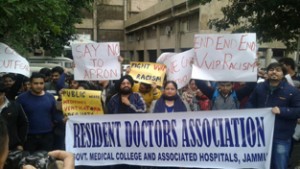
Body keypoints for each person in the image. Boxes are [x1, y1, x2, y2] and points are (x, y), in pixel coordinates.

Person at [245, 62, 300, 169]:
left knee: (279, 164)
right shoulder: (259, 87)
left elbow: (298, 110)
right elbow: (251, 102)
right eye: (271, 69)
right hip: (260, 135)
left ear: (283, 74)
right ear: (267, 73)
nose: (274, 72)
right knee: (259, 164)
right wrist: (249, 112)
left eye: (278, 70)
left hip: (281, 136)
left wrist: (282, 111)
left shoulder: (292, 91)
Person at [16, 73, 58, 152]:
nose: (39, 86)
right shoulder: (21, 98)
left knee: (46, 161)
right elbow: (17, 119)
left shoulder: (50, 97)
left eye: (41, 83)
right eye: (36, 83)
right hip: (28, 137)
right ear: (30, 84)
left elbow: (54, 115)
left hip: (47, 136)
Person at [0, 83, 28, 151]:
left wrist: (20, 143)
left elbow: (23, 124)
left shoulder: (15, 106)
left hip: (12, 145)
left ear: (3, 94)